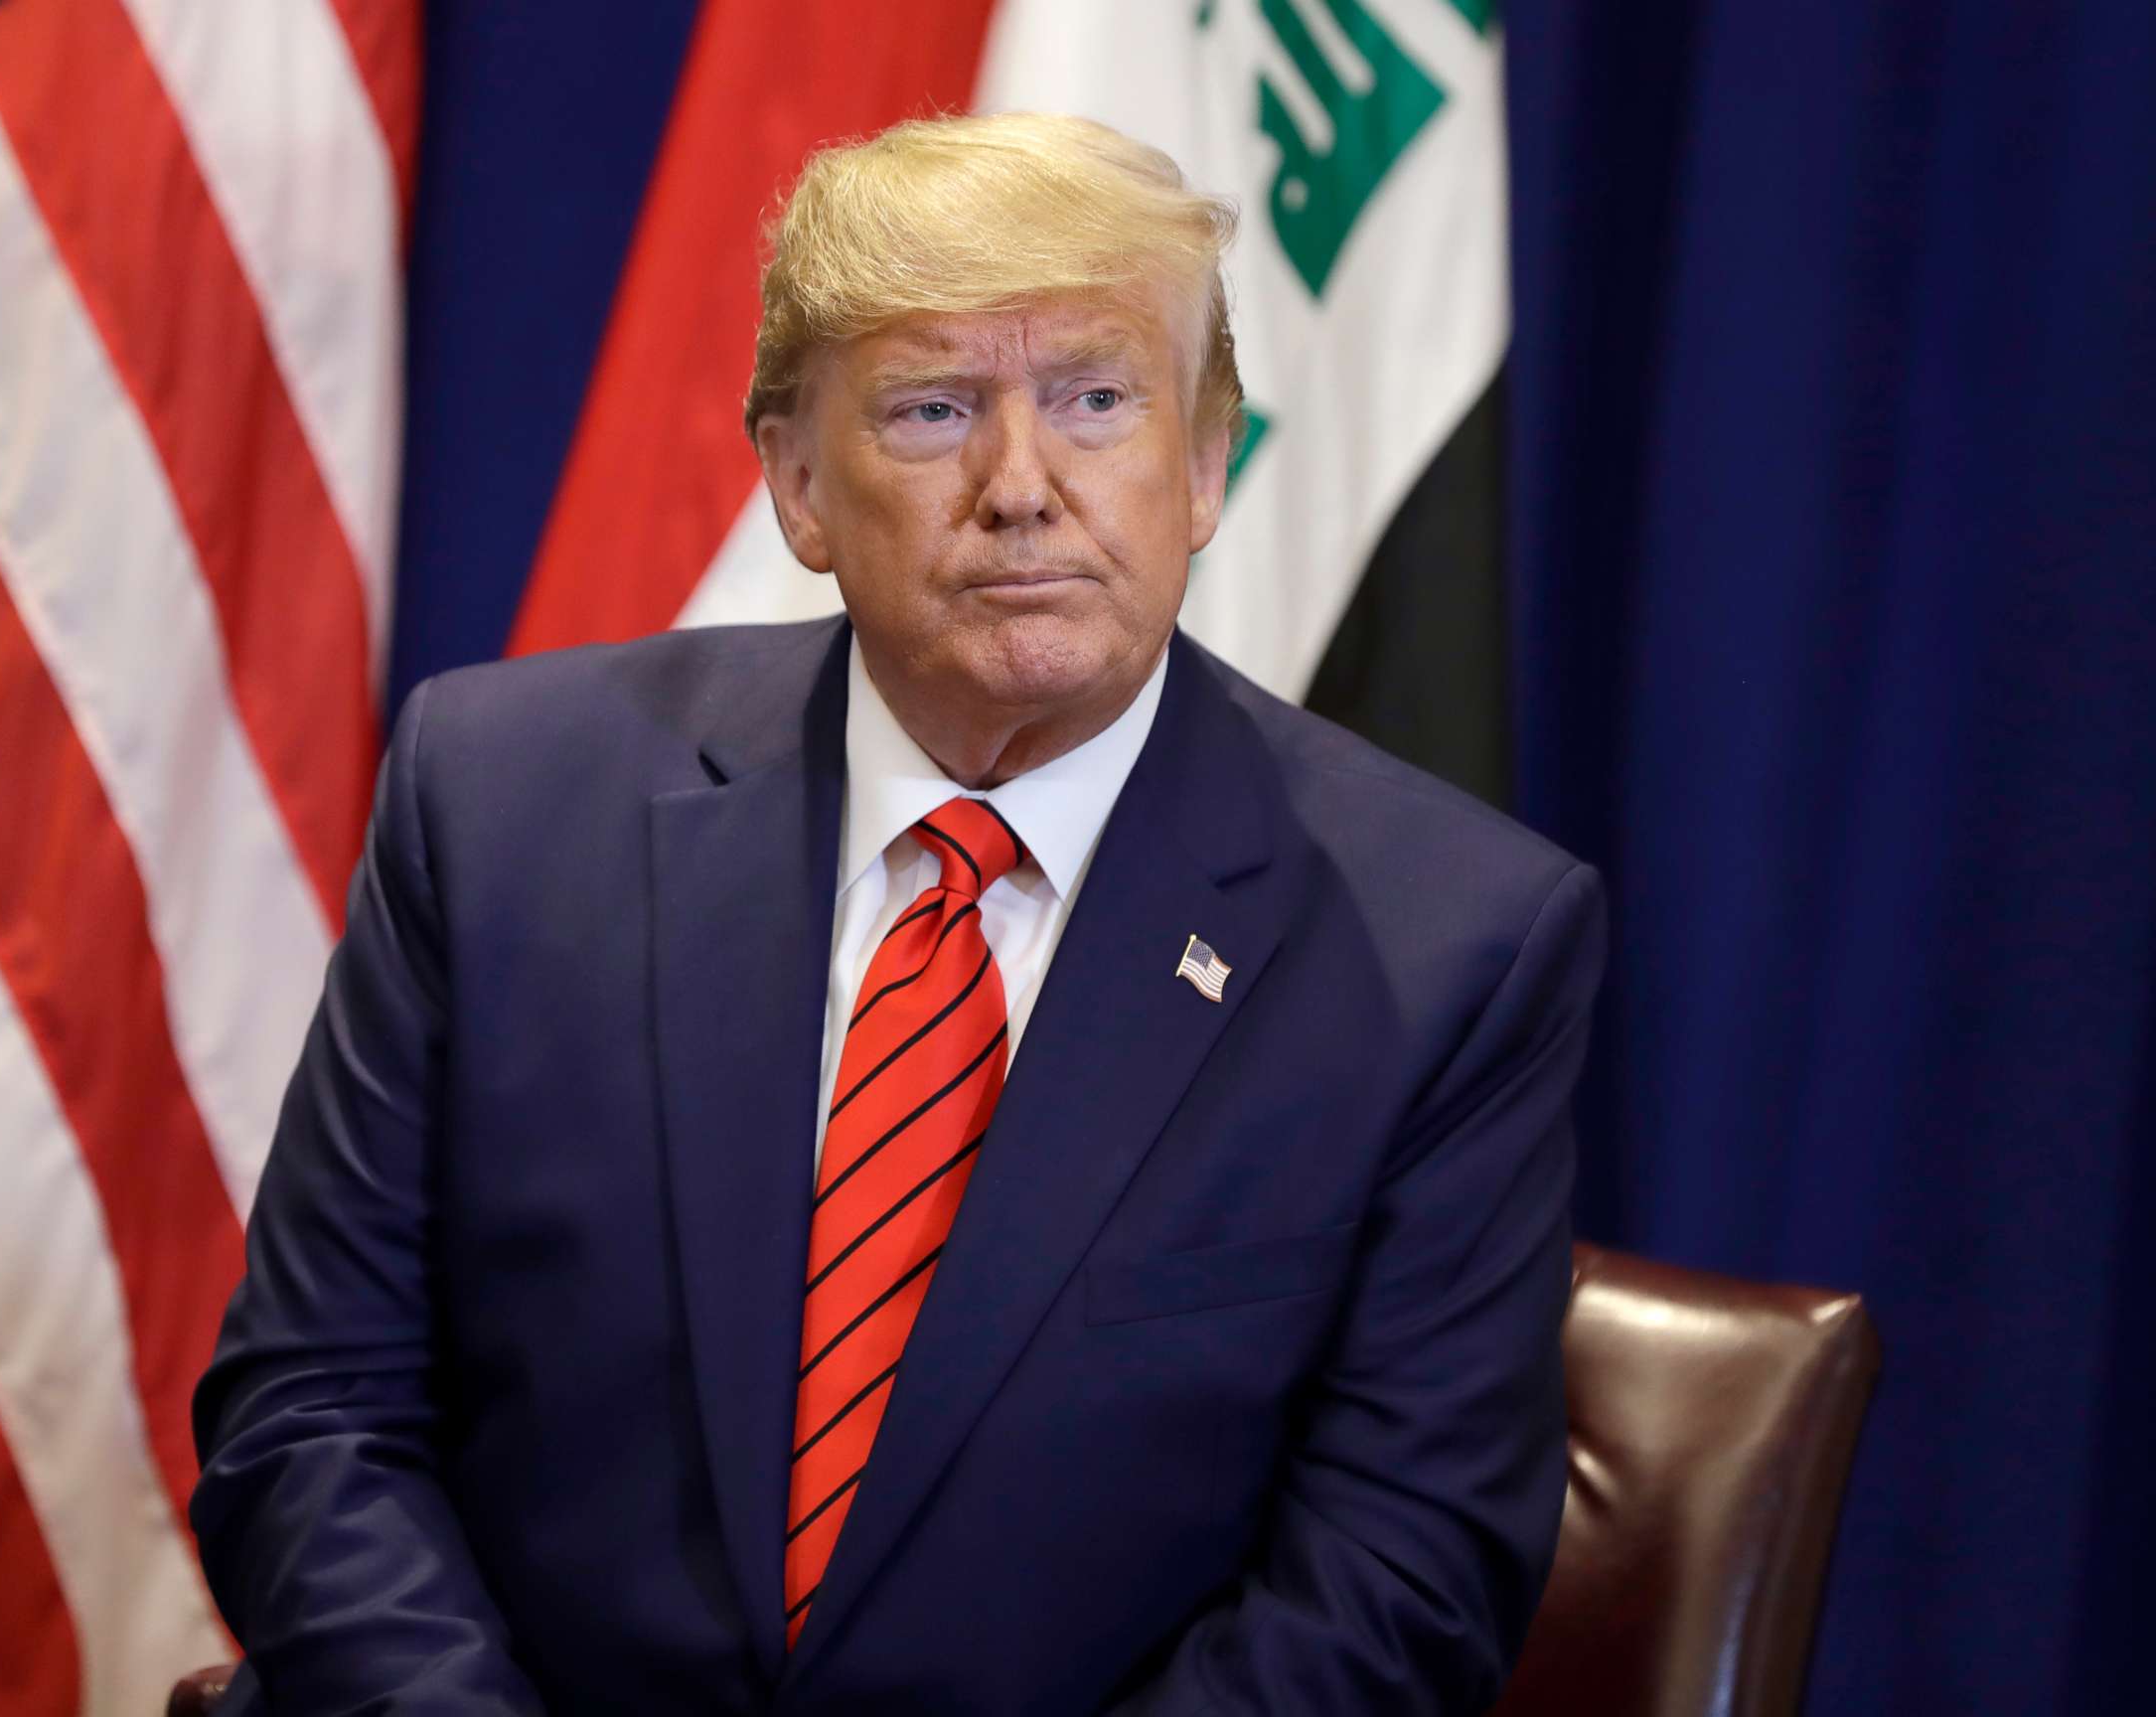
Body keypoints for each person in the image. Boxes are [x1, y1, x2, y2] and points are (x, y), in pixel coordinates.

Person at [191, 112, 1607, 1715]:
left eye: (1095, 399)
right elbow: (312, 1410)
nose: (1022, 488)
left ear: (1204, 466)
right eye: (934, 410)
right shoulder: (505, 803)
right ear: (798, 483)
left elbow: (1398, 1582)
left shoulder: (1450, 941)